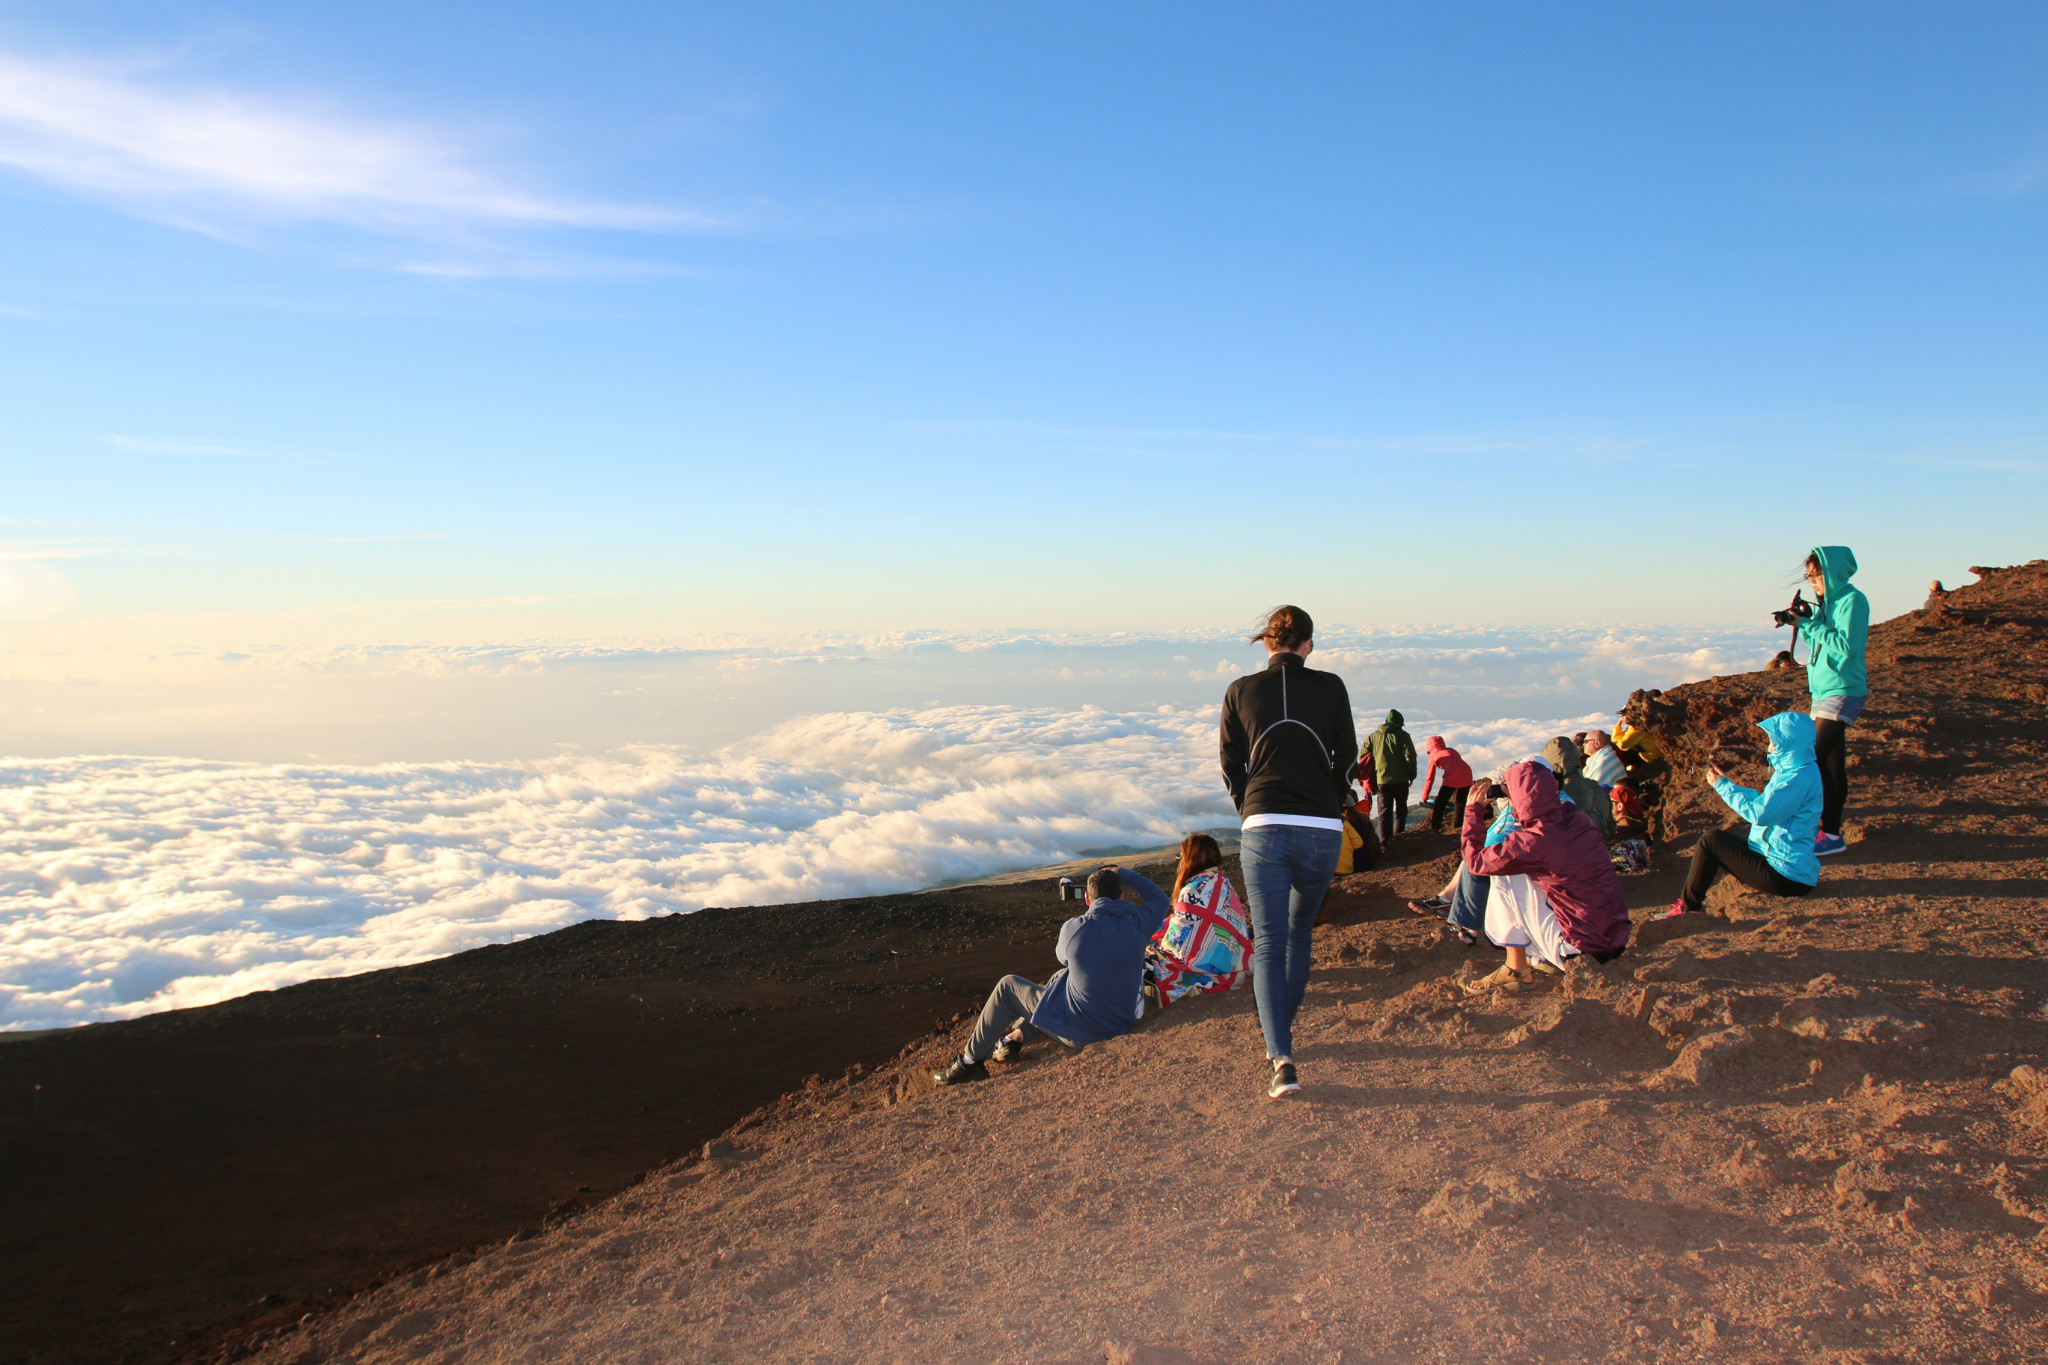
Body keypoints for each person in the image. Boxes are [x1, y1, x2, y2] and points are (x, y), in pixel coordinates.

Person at [1220, 604, 1357, 1100]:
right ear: (1309, 645)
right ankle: (1283, 1025)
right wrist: (1338, 798)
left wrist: (1248, 809)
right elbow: (1347, 758)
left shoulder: (1239, 690)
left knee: (1271, 941)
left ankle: (1281, 1057)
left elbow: (1231, 765)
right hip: (1322, 828)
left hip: (1264, 826)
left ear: (1268, 643)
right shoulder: (1331, 686)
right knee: (1299, 933)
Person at [935, 863, 1169, 1085]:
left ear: (1088, 898)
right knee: (1061, 976)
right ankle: (1016, 1036)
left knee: (1007, 986)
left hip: (1084, 1032)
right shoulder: (1139, 922)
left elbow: (1063, 956)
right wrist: (1121, 872)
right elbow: (1159, 898)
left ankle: (969, 1062)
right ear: (1122, 897)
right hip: (1120, 1024)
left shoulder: (1074, 928)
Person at [1459, 759, 1632, 990]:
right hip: (1614, 938)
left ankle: (1516, 968)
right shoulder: (1574, 816)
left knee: (1506, 875)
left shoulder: (1534, 841)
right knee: (1528, 873)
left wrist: (1473, 812)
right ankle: (1539, 957)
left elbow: (1476, 862)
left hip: (1582, 950)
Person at [1663, 712, 1821, 917]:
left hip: (1785, 877)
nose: (1769, 744)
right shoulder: (1799, 769)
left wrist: (1723, 787)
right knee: (1717, 839)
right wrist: (1729, 784)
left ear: (1788, 742)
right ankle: (1689, 905)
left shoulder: (1795, 778)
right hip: (1792, 869)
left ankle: (1688, 908)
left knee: (1710, 842)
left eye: (1774, 739)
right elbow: (1765, 804)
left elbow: (1760, 814)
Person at [1793, 546, 1869, 857]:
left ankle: (1804, 828)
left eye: (1817, 575)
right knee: (1830, 766)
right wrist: (1804, 622)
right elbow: (1817, 645)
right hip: (1824, 692)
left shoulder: (1853, 601)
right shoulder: (1828, 604)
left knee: (1808, 757)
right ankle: (1831, 836)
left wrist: (1811, 624)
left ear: (1833, 572)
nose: (1813, 583)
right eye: (1809, 578)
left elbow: (1846, 647)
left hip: (1842, 691)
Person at [1145, 834, 1252, 1005]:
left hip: (1205, 967)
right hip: (1234, 963)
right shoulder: (1224, 884)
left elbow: (1178, 945)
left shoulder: (1192, 890)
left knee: (1149, 951)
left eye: (1180, 856)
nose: (1178, 861)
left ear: (1189, 859)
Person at [1542, 736, 1617, 840]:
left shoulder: (1558, 796)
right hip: (1602, 850)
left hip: (1576, 852)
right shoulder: (1596, 788)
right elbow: (1611, 827)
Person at [1365, 708, 1418, 844]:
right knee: (1401, 809)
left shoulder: (1373, 737)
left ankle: (1385, 842)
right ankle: (1399, 839)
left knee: (1384, 812)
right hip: (1401, 780)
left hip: (1381, 780)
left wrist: (1370, 777)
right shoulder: (1404, 736)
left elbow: (1363, 757)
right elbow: (1410, 756)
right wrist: (1412, 775)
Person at [1419, 736, 1474, 834]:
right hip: (1467, 772)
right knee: (1460, 802)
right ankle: (1459, 827)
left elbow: (1430, 778)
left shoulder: (1434, 755)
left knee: (1440, 803)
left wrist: (1424, 796)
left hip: (1452, 775)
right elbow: (1457, 763)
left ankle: (1435, 829)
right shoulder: (1452, 750)